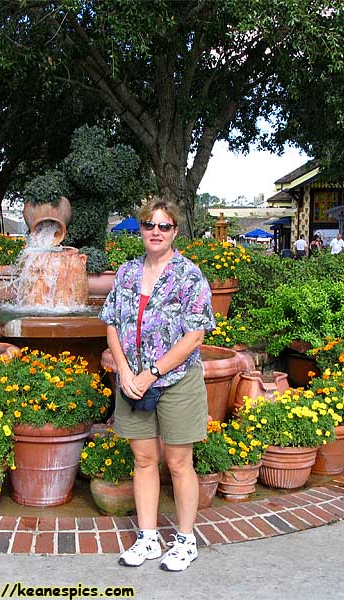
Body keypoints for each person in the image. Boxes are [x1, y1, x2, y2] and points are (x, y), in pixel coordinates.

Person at [99, 200, 215, 572]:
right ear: (142, 229)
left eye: (164, 227)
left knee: (179, 462)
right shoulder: (127, 273)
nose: (156, 232)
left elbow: (194, 336)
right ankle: (148, 537)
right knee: (144, 459)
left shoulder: (189, 276)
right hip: (132, 381)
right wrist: (124, 370)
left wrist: (150, 373)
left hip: (176, 381)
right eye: (150, 225)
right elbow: (112, 324)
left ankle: (185, 540)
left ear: (175, 232)